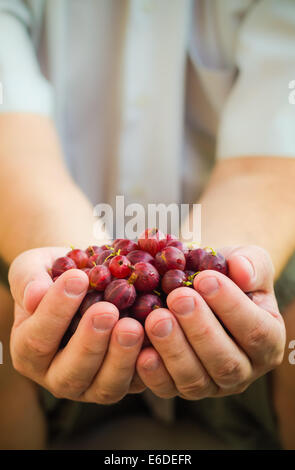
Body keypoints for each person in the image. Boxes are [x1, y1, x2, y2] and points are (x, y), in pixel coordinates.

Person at [0, 0, 295, 449]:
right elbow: (17, 153)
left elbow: (262, 165)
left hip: (248, 226)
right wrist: (63, 264)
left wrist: (236, 270)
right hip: (35, 229)